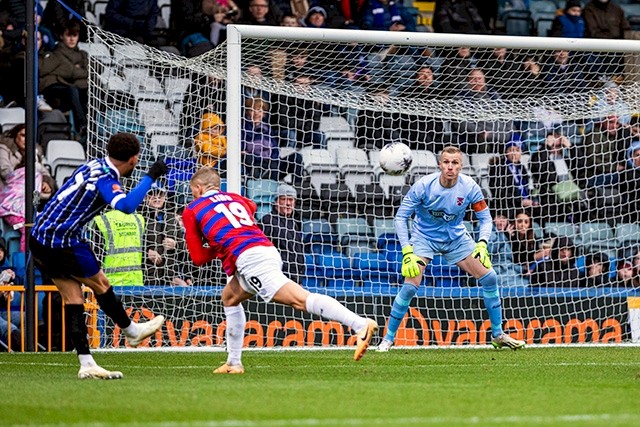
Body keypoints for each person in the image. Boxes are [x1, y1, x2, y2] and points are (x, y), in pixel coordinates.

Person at [182, 167, 378, 373]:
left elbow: (197, 258)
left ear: (198, 187)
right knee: (229, 298)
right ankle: (233, 363)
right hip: (265, 249)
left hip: (251, 260)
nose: (193, 196)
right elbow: (252, 205)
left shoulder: (193, 209)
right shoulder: (234, 198)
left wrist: (218, 243)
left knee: (300, 300)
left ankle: (360, 324)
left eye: (193, 192)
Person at [29, 132, 168, 379]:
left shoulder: (94, 164)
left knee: (73, 299)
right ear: (134, 159)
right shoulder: (106, 178)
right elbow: (126, 207)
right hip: (61, 239)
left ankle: (86, 363)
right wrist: (151, 177)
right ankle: (131, 330)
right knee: (101, 284)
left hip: (40, 237)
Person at [377, 146, 525, 351]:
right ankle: (388, 338)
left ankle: (498, 334)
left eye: (455, 163)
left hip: (456, 238)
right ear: (440, 164)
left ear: (461, 166)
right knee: (410, 285)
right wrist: (407, 251)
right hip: (424, 238)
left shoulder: (470, 187)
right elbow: (401, 218)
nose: (450, 167)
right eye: (446, 162)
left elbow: (485, 218)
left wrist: (482, 243)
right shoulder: (423, 186)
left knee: (490, 277)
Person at [38, 20, 88, 137]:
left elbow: (90, 72)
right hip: (56, 90)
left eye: (74, 35)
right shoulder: (57, 52)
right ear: (61, 36)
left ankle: (94, 129)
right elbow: (71, 72)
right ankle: (82, 126)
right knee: (73, 90)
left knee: (89, 91)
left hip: (72, 87)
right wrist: (81, 71)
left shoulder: (83, 54)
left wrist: (79, 72)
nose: (72, 39)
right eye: (68, 35)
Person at [259, 184, 305, 284]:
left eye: (291, 200)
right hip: (277, 278)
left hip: (296, 277)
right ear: (276, 201)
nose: (288, 203)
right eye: (284, 199)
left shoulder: (295, 222)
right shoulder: (267, 221)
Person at [92, 209, 146, 287]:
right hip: (136, 282)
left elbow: (96, 255)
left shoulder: (101, 221)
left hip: (109, 282)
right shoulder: (139, 219)